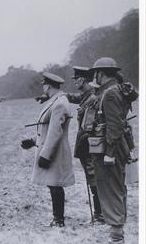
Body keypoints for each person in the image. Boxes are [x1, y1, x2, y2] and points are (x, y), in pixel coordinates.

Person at [85, 57, 138, 244]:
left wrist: (109, 154)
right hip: (112, 149)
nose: (95, 78)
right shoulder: (115, 90)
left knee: (112, 190)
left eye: (96, 74)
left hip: (110, 151)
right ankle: (116, 234)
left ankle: (117, 238)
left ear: (101, 74)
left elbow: (114, 127)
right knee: (115, 189)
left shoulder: (110, 94)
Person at [21, 72, 74, 227]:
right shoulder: (57, 100)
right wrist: (33, 141)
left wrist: (45, 155)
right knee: (53, 185)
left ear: (48, 85)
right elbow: (47, 130)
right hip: (52, 149)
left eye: (44, 84)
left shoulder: (59, 104)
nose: (43, 87)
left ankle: (59, 220)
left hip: (55, 151)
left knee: (55, 185)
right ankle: (57, 219)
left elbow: (54, 133)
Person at [65, 66, 104, 224]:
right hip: (86, 143)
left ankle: (100, 215)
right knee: (92, 177)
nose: (74, 82)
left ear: (82, 79)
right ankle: (100, 213)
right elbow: (74, 97)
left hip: (89, 144)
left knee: (94, 178)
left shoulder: (92, 99)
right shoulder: (86, 96)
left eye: (76, 79)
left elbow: (89, 127)